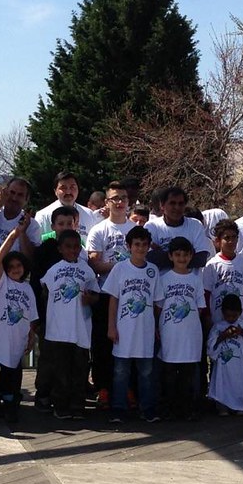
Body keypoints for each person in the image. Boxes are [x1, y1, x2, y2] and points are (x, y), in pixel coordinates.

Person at [104, 226, 163, 424]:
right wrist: (111, 326)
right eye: (136, 244)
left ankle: (147, 408)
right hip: (124, 330)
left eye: (144, 245)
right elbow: (113, 300)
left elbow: (157, 303)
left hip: (145, 330)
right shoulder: (120, 268)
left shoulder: (153, 271)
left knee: (146, 372)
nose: (140, 248)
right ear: (129, 246)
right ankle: (119, 408)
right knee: (121, 372)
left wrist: (156, 327)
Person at [39, 229, 100, 419]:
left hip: (80, 328)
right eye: (68, 247)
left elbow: (96, 294)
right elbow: (44, 290)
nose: (72, 250)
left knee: (80, 369)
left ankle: (78, 405)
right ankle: (61, 405)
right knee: (61, 371)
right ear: (60, 248)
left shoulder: (86, 269)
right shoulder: (54, 269)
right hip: (58, 330)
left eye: (76, 247)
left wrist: (91, 299)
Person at [86, 182, 137, 408]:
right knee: (103, 343)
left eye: (123, 198)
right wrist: (122, 265)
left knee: (130, 342)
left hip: (132, 295)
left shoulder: (135, 230)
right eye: (114, 198)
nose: (119, 202)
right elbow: (95, 264)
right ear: (107, 202)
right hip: (106, 294)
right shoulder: (99, 230)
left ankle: (128, 388)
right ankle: (103, 388)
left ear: (129, 202)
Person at [0, 216, 39, 423]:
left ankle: (8, 398)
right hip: (3, 334)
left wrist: (31, 337)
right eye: (11, 266)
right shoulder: (3, 284)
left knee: (15, 369)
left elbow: (32, 316)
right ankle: (5, 400)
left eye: (19, 265)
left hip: (19, 336)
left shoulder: (27, 288)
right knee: (8, 369)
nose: (15, 269)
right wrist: (14, 234)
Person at [156, 237, 206, 420]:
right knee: (168, 373)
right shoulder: (164, 279)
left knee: (187, 374)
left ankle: (186, 408)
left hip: (190, 334)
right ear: (170, 256)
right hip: (169, 333)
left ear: (191, 256)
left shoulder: (196, 280)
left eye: (185, 255)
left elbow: (200, 307)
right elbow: (158, 307)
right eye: (177, 255)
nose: (182, 258)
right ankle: (169, 407)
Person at [206, 293, 243, 415]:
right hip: (223, 366)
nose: (231, 319)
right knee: (222, 384)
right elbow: (210, 347)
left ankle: (239, 406)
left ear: (240, 312)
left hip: (239, 365)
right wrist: (222, 336)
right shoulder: (218, 327)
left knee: (238, 384)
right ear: (223, 313)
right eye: (228, 316)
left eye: (234, 316)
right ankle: (222, 406)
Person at [144, 186, 213, 271]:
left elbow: (200, 260)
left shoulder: (195, 225)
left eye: (181, 203)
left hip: (190, 282)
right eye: (172, 203)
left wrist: (162, 252)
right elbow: (151, 258)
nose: (177, 207)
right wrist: (189, 254)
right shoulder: (152, 227)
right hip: (161, 282)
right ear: (162, 205)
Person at [202, 220, 243, 327]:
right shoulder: (212, 265)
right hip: (217, 321)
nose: (231, 241)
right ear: (218, 240)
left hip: (239, 322)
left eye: (234, 237)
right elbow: (206, 294)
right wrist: (207, 317)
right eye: (227, 238)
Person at [0, 177, 41, 260]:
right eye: (12, 192)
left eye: (20, 195)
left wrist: (22, 233)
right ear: (5, 192)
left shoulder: (32, 225)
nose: (14, 198)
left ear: (26, 199)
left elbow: (31, 258)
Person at [34, 170, 97, 237]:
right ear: (55, 191)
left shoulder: (89, 215)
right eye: (63, 188)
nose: (68, 192)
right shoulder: (43, 216)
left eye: (72, 187)